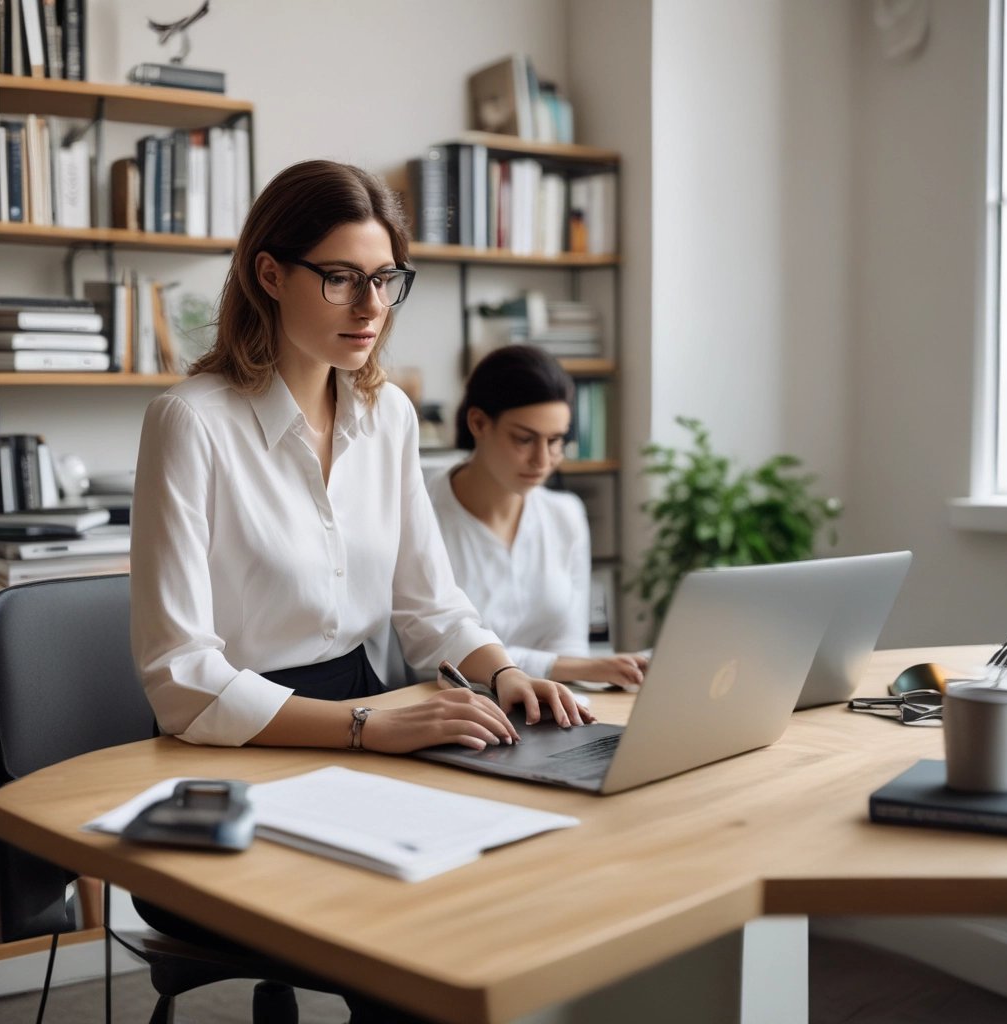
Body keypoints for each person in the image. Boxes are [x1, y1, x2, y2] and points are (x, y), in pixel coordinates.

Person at [128, 161, 592, 1021]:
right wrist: (363, 728)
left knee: (507, 888)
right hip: (236, 753)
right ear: (271, 275)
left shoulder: (390, 418)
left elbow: (429, 603)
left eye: (384, 280)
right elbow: (183, 678)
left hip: (367, 714)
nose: (371, 307)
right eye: (340, 278)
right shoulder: (191, 422)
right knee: (409, 943)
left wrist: (499, 672)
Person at [427, 344, 649, 689]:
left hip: (545, 708)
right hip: (452, 710)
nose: (542, 460)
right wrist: (576, 668)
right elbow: (433, 652)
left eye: (556, 440)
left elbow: (570, 648)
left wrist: (589, 672)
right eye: (524, 439)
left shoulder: (566, 516)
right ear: (478, 423)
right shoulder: (422, 511)